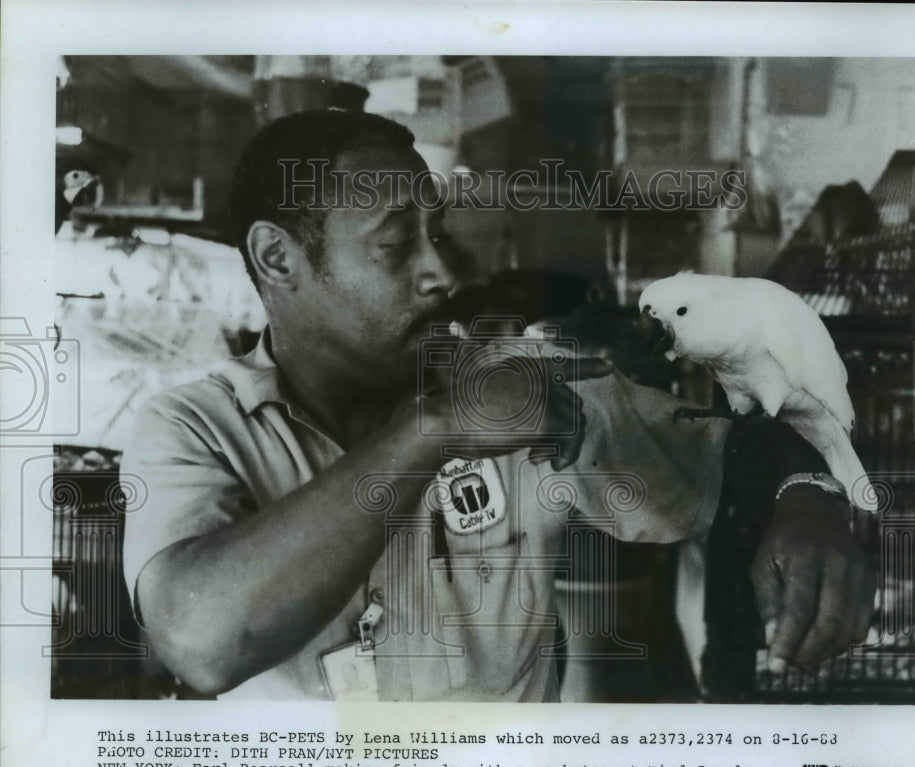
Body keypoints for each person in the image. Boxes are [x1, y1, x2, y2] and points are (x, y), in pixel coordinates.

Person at [121, 109, 875, 702]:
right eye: (395, 246)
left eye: (438, 236)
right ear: (278, 258)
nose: (439, 274)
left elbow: (735, 450)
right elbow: (200, 641)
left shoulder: (523, 392)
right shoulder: (193, 430)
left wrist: (804, 497)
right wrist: (434, 430)